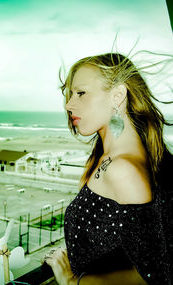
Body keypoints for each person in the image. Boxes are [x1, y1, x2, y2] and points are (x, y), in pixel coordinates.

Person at [43, 52, 173, 284]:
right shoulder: (108, 157)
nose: (69, 104)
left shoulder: (123, 170)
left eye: (81, 93)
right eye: (70, 94)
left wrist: (73, 282)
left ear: (118, 95)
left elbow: (153, 276)